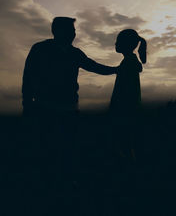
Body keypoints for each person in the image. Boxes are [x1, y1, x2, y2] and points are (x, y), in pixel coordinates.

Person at [21, 17, 118, 192]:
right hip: (45, 109)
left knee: (68, 148)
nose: (74, 34)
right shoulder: (40, 49)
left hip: (69, 110)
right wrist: (27, 105)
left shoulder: (75, 53)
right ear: (58, 31)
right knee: (48, 148)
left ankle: (64, 183)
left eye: (74, 31)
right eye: (71, 30)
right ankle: (47, 186)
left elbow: (93, 66)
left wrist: (116, 70)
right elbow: (28, 77)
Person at [109, 29, 146, 165]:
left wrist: (116, 108)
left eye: (118, 41)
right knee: (126, 143)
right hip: (129, 109)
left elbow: (124, 90)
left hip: (125, 110)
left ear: (126, 44)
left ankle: (131, 174)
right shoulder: (130, 61)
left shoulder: (128, 63)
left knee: (124, 145)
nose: (115, 44)